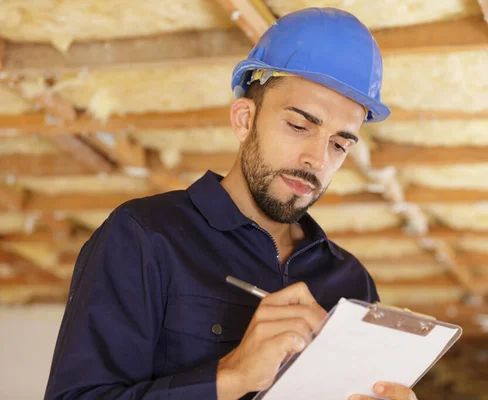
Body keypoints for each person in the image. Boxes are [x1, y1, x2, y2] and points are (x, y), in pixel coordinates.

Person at [44, 7, 418, 400]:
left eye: (339, 143)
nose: (317, 159)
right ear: (244, 119)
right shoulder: (144, 237)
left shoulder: (352, 283)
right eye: (298, 125)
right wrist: (229, 377)